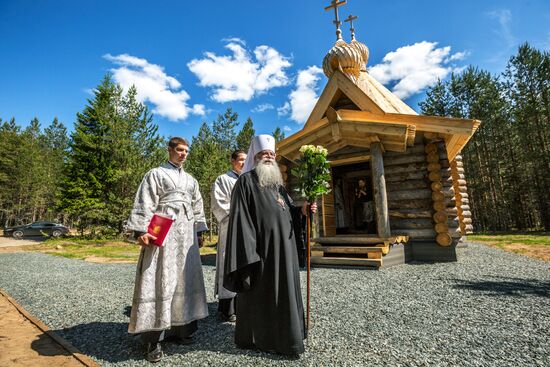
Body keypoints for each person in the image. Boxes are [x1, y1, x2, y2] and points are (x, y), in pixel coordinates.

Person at [223, 134, 317, 356]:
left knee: (285, 291)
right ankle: (263, 337)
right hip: (262, 253)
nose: (269, 157)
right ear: (255, 157)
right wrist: (250, 252)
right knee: (263, 293)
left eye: (272, 154)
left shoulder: (278, 185)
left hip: (285, 251)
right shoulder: (245, 182)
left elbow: (288, 211)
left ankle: (288, 334)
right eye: (264, 154)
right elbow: (241, 220)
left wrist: (302, 211)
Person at [125, 137, 208, 363]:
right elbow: (145, 200)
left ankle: (182, 330)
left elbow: (198, 205)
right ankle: (153, 338)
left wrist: (199, 232)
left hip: (186, 233)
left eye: (186, 151)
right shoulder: (155, 174)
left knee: (184, 278)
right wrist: (141, 229)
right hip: (163, 230)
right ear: (170, 150)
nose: (183, 154)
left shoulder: (191, 180)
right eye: (180, 150)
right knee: (160, 276)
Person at [211, 149, 247, 322]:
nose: (243, 163)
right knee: (229, 262)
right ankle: (227, 308)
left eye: (246, 160)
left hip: (248, 231)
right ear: (233, 161)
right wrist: (239, 216)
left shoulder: (249, 180)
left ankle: (244, 304)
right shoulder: (223, 179)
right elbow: (219, 204)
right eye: (241, 160)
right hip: (230, 227)